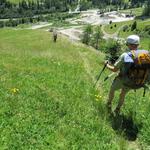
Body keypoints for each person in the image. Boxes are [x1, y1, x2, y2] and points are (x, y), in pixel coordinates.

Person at [106, 35, 141, 115]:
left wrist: (106, 65)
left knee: (112, 89)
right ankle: (118, 109)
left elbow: (114, 69)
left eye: (127, 44)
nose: (127, 46)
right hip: (133, 81)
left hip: (122, 79)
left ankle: (108, 104)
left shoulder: (125, 55)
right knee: (123, 94)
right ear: (137, 45)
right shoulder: (142, 56)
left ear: (130, 45)